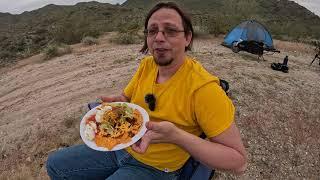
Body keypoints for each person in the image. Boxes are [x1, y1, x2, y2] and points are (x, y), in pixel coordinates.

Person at [46, 2, 247, 179]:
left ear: (187, 38)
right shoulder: (147, 65)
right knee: (54, 164)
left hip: (156, 168)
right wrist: (117, 103)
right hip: (120, 146)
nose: (159, 37)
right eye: (152, 31)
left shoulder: (204, 89)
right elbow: (126, 98)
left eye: (170, 30)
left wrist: (176, 136)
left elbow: (238, 162)